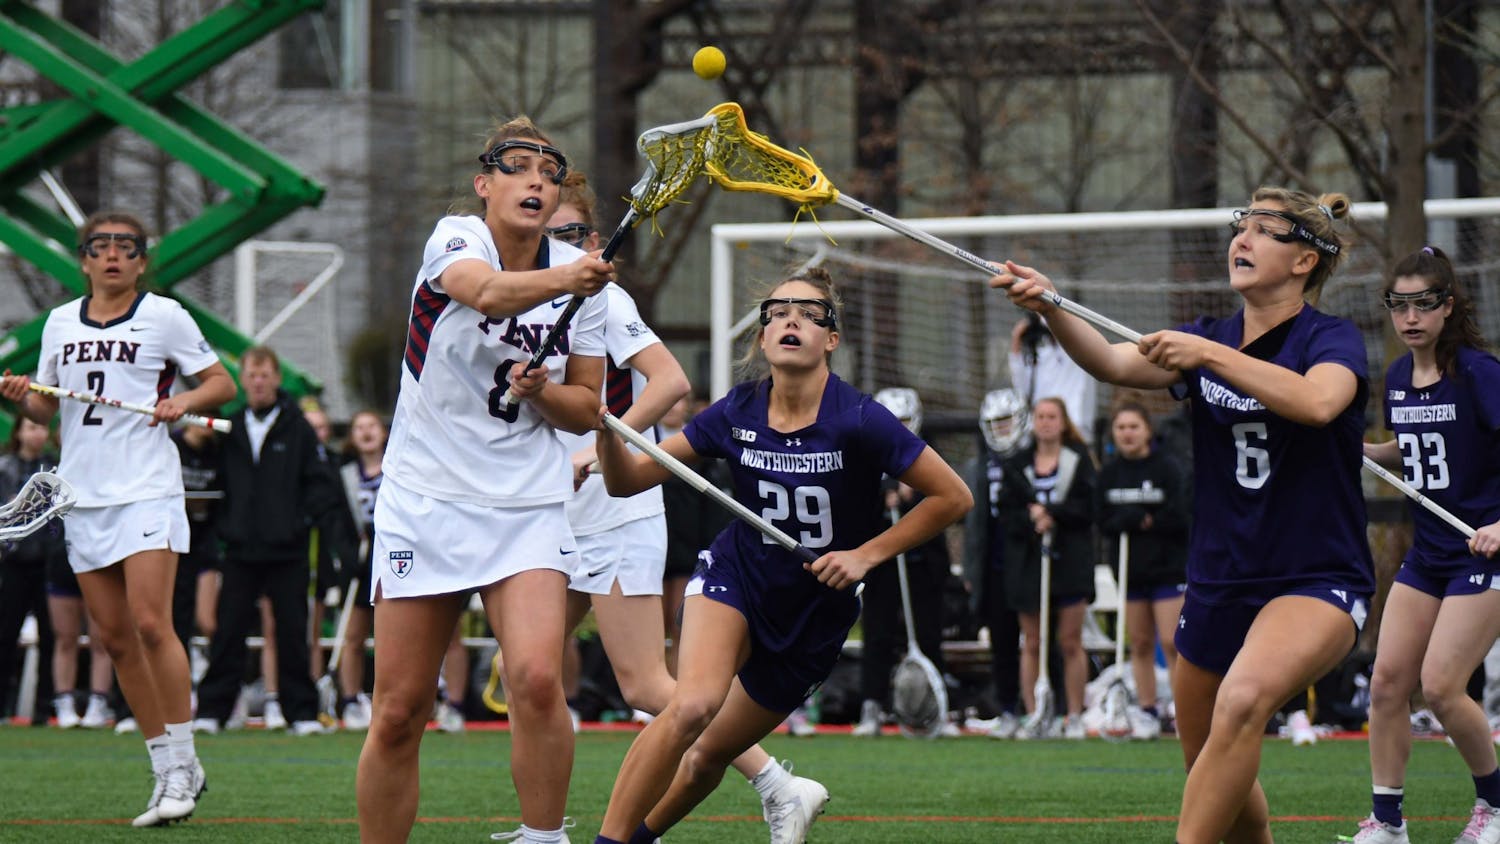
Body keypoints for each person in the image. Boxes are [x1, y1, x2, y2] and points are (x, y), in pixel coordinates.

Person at [993, 186, 1373, 844]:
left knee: (1243, 701)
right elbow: (1112, 361)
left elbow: (1316, 403)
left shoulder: (1329, 339)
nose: (1241, 240)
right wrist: (1051, 307)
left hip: (1314, 577)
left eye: (1263, 231)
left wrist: (1211, 358)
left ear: (1305, 261)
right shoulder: (1209, 337)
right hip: (1222, 575)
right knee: (1213, 763)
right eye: (1240, 226)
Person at [589, 267, 973, 844]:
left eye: (810, 312)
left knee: (704, 760)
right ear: (763, 335)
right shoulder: (734, 411)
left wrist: (866, 555)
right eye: (777, 311)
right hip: (736, 579)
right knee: (691, 707)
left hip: (813, 616)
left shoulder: (860, 419)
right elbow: (628, 480)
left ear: (831, 339)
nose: (791, 319)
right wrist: (606, 436)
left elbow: (953, 496)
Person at [354, 115, 613, 844]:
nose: (536, 179)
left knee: (535, 679)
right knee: (401, 711)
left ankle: (543, 838)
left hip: (526, 501)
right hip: (426, 497)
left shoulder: (578, 283)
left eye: (549, 171)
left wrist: (540, 390)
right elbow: (490, 293)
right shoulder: (455, 238)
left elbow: (584, 410)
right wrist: (571, 277)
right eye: (518, 167)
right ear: (485, 184)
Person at [548, 174, 828, 841]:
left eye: (568, 234)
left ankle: (778, 783)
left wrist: (603, 438)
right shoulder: (521, 295)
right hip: (552, 513)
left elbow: (671, 380)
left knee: (648, 685)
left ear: (590, 239)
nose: (556, 246)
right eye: (546, 234)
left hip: (612, 511)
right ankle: (545, 827)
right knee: (530, 665)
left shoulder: (604, 299)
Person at [0, 210, 236, 825]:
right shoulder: (57, 324)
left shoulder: (164, 315)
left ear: (140, 260)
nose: (111, 255)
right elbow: (44, 415)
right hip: (82, 494)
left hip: (147, 489)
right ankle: (165, 771)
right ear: (83, 260)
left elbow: (221, 383)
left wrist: (181, 400)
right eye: (99, 246)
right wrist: (20, 398)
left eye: (124, 247)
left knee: (153, 623)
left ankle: (186, 761)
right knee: (112, 638)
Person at [1346, 246, 1500, 844]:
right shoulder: (1398, 377)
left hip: (1481, 552)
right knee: (1387, 683)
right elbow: (1410, 449)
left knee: (1440, 686)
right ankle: (1387, 823)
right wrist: (1358, 450)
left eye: (1423, 304)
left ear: (1447, 306)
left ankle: (1494, 805)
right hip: (1429, 553)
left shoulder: (1480, 374)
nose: (1410, 317)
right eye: (1399, 305)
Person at [193, 346, 343, 737]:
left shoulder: (299, 428)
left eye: (265, 375)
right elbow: (214, 480)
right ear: (242, 381)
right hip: (240, 548)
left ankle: (302, 713)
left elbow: (320, 485)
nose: (258, 382)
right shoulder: (230, 426)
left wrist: (298, 522)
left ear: (276, 379)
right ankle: (213, 710)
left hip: (288, 549)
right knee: (227, 631)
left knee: (293, 631)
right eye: (251, 375)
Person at [851, 387, 952, 738]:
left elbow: (946, 500)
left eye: (905, 421)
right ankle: (872, 706)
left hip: (922, 563)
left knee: (928, 634)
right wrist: (886, 496)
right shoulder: (865, 458)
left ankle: (938, 708)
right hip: (881, 563)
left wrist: (913, 496)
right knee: (877, 635)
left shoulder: (928, 454)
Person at [994, 395, 1096, 739]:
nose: (1046, 422)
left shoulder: (1079, 460)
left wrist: (1054, 514)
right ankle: (1035, 713)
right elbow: (1006, 512)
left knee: (1070, 640)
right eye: (1040, 416)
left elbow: (1089, 506)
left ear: (1063, 422)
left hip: (1070, 563)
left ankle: (1074, 715)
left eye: (1053, 416)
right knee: (1033, 641)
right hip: (1029, 565)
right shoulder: (1017, 464)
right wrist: (1030, 519)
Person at [1095, 398, 1189, 741]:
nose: (1127, 434)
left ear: (1147, 430)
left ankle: (1184, 711)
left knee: (1172, 641)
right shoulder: (1109, 473)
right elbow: (1102, 518)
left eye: (1134, 426)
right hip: (1130, 571)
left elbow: (1179, 514)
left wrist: (1145, 520)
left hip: (1167, 569)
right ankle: (1148, 711)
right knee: (1140, 643)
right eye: (1121, 428)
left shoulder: (1167, 468)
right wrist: (1126, 519)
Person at [962, 388, 1038, 739]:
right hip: (994, 566)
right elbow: (973, 527)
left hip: (1030, 563)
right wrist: (971, 570)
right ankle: (1008, 708)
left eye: (1006, 421)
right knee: (1003, 641)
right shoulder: (978, 467)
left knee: (1039, 639)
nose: (1001, 429)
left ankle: (1045, 709)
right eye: (994, 423)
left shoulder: (1037, 459)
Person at [659, 394, 731, 676]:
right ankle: (650, 695)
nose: (672, 408)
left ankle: (674, 690)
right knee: (653, 626)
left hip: (685, 549)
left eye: (677, 402)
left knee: (680, 624)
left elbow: (711, 503)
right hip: (652, 545)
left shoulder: (696, 446)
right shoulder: (642, 439)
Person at [0, 418, 64, 725]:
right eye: (30, 427)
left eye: (40, 427)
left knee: (51, 637)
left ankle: (44, 708)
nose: (36, 433)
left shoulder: (54, 471)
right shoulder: (4, 468)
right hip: (11, 563)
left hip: (47, 562)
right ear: (18, 433)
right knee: (5, 634)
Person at [333, 409, 385, 730]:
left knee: (389, 636)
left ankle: (386, 699)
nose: (366, 432)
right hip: (359, 564)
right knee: (353, 635)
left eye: (372, 426)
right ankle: (351, 700)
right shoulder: (346, 475)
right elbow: (337, 520)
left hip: (391, 558)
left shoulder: (398, 467)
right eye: (359, 427)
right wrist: (348, 554)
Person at [1010, 313, 1098, 443]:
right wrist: (1018, 335)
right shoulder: (1035, 360)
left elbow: (1065, 331)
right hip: (1041, 434)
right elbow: (1019, 381)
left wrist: (1041, 319)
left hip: (1072, 429)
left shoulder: (1071, 356)